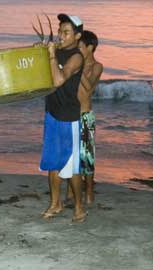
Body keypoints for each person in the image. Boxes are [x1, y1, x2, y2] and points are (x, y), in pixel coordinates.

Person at [39, 13, 86, 223]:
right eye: (60, 31)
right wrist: (41, 49)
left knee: (73, 168)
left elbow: (58, 80)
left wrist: (50, 55)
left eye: (66, 32)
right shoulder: (57, 50)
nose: (61, 36)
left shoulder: (76, 57)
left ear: (77, 36)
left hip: (69, 117)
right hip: (52, 113)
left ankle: (78, 208)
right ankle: (55, 203)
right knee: (52, 164)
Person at [76, 30, 103, 204]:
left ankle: (90, 191)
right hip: (70, 114)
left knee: (87, 156)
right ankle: (74, 191)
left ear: (90, 47)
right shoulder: (75, 63)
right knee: (73, 156)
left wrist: (77, 70)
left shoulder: (97, 66)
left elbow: (89, 89)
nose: (77, 49)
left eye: (80, 46)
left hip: (85, 115)